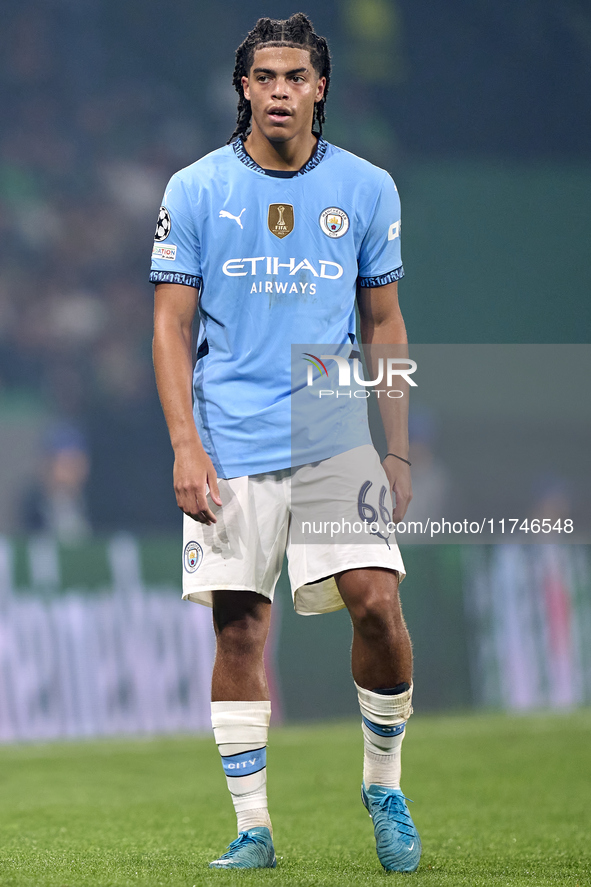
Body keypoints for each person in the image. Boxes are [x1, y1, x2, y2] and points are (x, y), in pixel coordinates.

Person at [151, 13, 421, 873]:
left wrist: (399, 447)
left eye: (293, 77)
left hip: (333, 426)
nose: (277, 90)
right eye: (263, 76)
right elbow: (168, 327)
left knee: (375, 599)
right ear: (243, 88)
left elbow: (383, 320)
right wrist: (184, 445)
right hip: (229, 437)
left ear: (319, 88)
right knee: (240, 631)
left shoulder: (367, 187)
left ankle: (384, 782)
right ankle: (253, 828)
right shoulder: (193, 189)